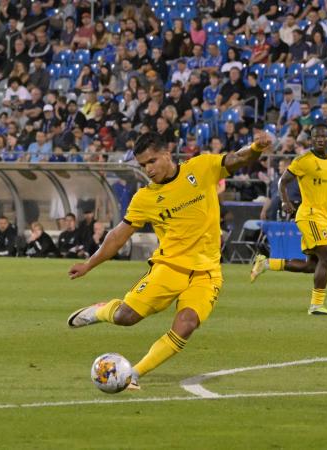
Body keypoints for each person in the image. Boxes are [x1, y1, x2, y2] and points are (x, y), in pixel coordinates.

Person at [66, 131, 272, 389]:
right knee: (125, 318)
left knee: (186, 325)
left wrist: (256, 147)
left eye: (152, 161)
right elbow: (118, 236)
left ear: (167, 154)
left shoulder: (201, 167)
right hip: (169, 268)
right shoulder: (145, 198)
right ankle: (100, 310)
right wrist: (89, 264)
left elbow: (237, 159)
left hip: (207, 273)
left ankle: (133, 374)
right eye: (142, 165)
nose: (148, 170)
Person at [250, 124, 327, 316]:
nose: (320, 139)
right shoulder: (304, 160)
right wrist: (285, 201)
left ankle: (266, 263)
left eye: (323, 136)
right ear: (312, 139)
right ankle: (316, 306)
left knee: (312, 265)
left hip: (321, 217)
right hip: (309, 215)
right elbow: (283, 181)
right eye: (316, 137)